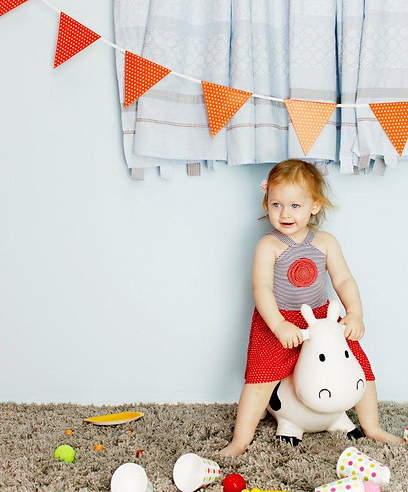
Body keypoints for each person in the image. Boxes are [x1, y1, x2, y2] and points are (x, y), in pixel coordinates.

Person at [221, 159, 402, 457]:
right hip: (278, 319)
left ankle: (372, 427)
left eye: (295, 205)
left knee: (359, 365)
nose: (285, 213)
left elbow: (343, 279)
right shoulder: (269, 245)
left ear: (314, 206)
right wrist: (278, 325)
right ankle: (240, 440)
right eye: (276, 204)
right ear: (267, 202)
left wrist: (355, 313)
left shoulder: (325, 242)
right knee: (260, 379)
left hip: (321, 318)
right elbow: (261, 288)